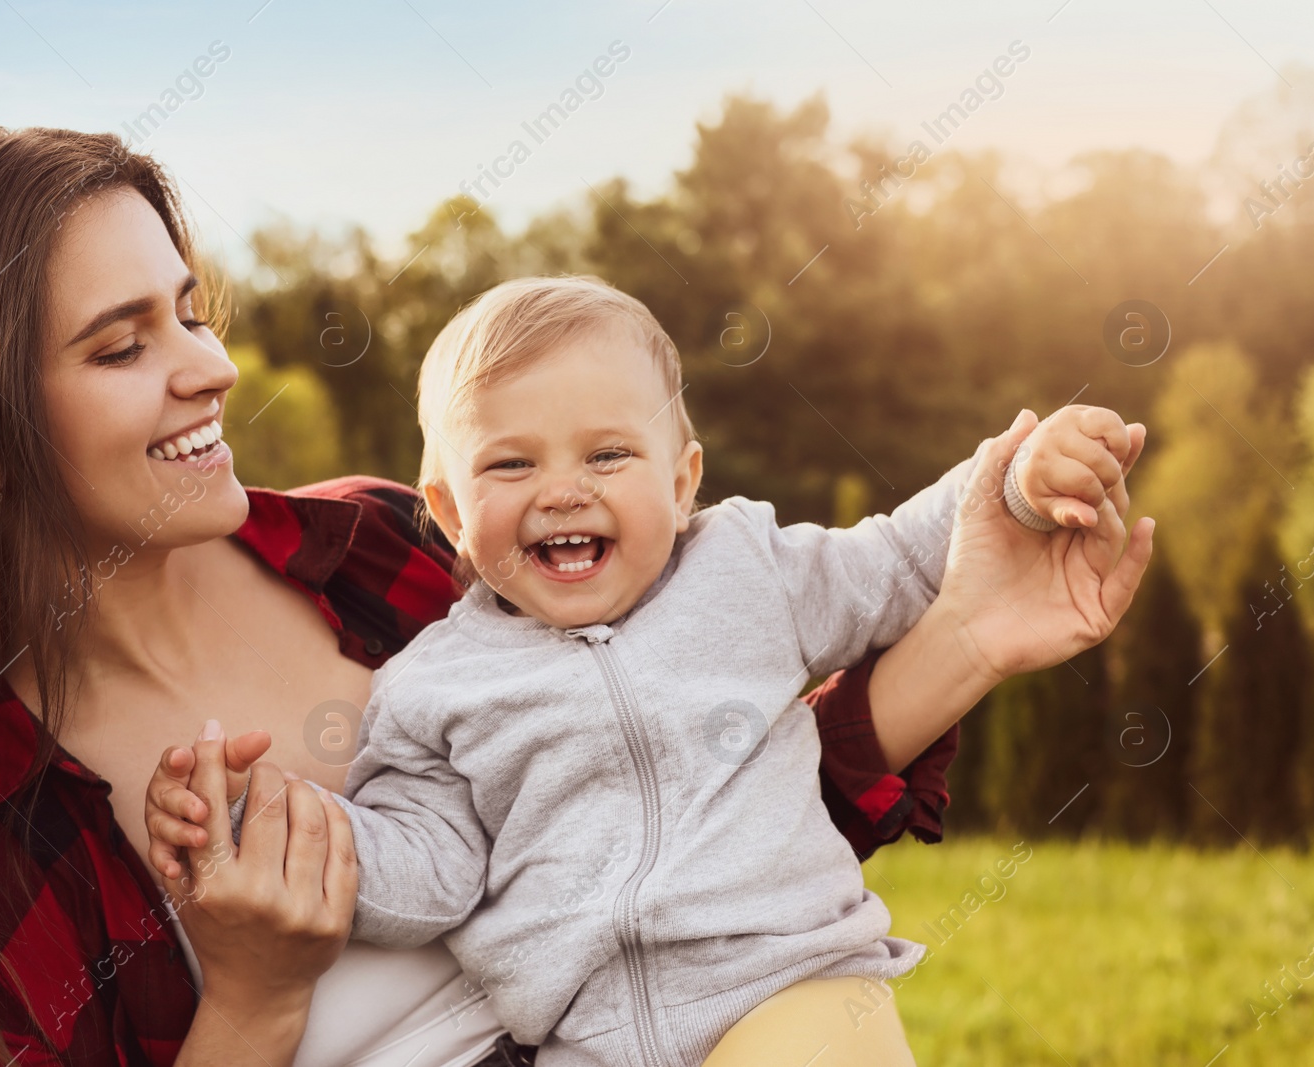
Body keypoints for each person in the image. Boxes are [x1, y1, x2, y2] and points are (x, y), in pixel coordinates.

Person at [0, 122, 1149, 1067]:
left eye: (191, 310)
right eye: (122, 343)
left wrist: (963, 634)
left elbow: (691, 828)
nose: (212, 368)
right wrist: (253, 990)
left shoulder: (389, 558)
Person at [148, 277, 1148, 1065]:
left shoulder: (748, 571)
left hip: (789, 987)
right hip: (584, 1043)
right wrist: (262, 826)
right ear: (449, 512)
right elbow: (431, 867)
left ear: (681, 481)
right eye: (510, 465)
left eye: (608, 454)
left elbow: (897, 554)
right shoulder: (433, 686)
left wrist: (1010, 483)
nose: (562, 490)